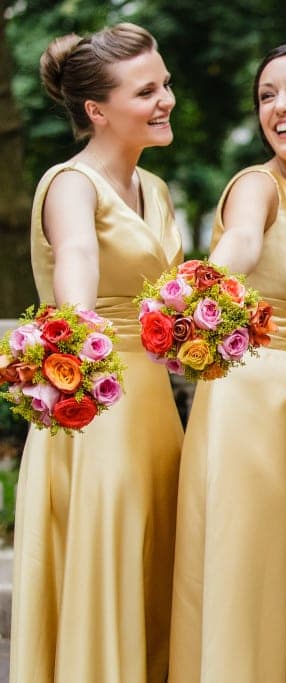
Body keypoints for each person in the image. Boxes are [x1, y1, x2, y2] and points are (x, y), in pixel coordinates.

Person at [168, 43, 286, 683]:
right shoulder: (255, 185)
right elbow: (241, 242)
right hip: (248, 397)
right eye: (267, 95)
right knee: (247, 559)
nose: (280, 106)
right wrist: (202, 293)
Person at [11, 23, 182, 682]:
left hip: (157, 416)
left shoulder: (157, 190)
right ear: (97, 110)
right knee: (107, 567)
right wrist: (74, 344)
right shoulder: (70, 186)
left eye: (164, 82)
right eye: (147, 90)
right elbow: (76, 263)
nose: (166, 98)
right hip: (97, 409)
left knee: (152, 568)